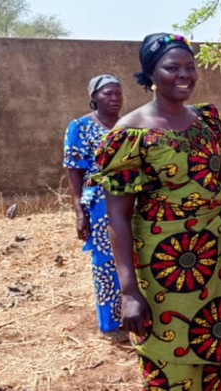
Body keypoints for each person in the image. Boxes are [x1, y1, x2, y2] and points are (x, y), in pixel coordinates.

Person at [91, 32, 221, 390]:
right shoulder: (129, 133)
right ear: (151, 74)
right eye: (171, 68)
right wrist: (128, 291)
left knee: (218, 344)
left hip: (215, 258)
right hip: (166, 265)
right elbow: (118, 217)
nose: (184, 75)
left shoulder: (205, 120)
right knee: (169, 351)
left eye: (190, 67)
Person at [62, 74, 127, 343]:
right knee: (105, 262)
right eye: (107, 93)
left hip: (131, 201)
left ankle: (135, 314)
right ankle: (111, 323)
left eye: (118, 93)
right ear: (94, 97)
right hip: (100, 204)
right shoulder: (80, 127)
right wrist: (80, 213)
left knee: (134, 259)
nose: (114, 98)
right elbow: (74, 171)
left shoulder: (129, 124)